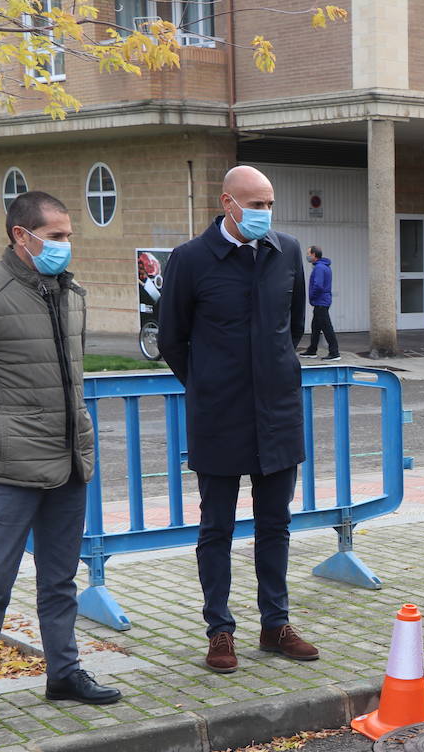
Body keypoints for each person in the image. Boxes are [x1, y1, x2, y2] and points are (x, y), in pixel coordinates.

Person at [158, 166, 320, 674]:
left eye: (269, 204)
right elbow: (171, 338)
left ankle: (276, 624)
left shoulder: (287, 251)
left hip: (277, 414)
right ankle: (220, 631)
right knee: (217, 529)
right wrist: (207, 383)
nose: (264, 214)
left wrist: (270, 375)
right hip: (220, 416)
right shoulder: (190, 259)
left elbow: (292, 325)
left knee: (276, 525)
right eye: (255, 205)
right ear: (228, 203)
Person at [0, 191, 122, 735]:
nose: (66, 245)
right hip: (9, 468)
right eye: (56, 236)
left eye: (68, 235)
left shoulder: (70, 292)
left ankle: (64, 673)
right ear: (22, 235)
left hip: (68, 461)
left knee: (60, 580)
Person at [300, 246, 339, 360]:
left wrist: (312, 296)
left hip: (321, 302)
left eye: (308, 253)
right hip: (321, 301)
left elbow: (318, 285)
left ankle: (334, 352)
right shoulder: (322, 267)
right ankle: (312, 350)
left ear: (314, 255)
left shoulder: (319, 268)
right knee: (315, 327)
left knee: (326, 327)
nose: (307, 256)